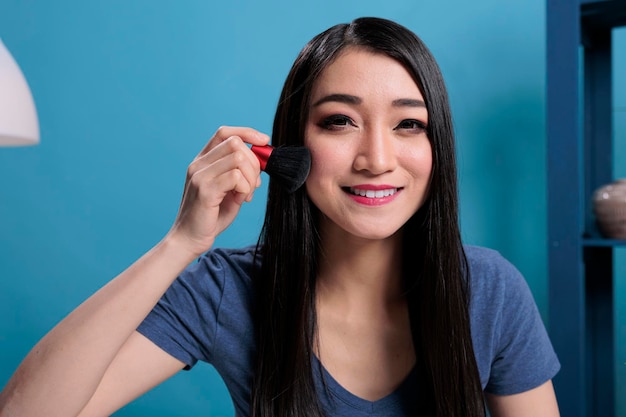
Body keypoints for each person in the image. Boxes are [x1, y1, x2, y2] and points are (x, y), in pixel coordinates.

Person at [0, 17, 560, 417]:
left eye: (408, 124)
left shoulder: (488, 292)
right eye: (340, 121)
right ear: (292, 146)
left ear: (438, 147)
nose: (377, 160)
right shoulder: (225, 291)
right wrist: (179, 244)